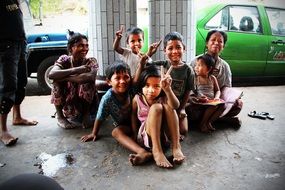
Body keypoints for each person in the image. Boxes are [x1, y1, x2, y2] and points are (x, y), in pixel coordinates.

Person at [81, 62, 152, 166]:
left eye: (126, 77)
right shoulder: (107, 98)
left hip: (142, 122)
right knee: (116, 132)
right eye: (117, 78)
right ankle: (142, 152)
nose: (122, 81)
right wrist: (94, 133)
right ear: (109, 81)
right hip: (126, 126)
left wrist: (141, 64)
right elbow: (100, 116)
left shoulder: (132, 88)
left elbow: (137, 78)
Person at [139, 32, 195, 138]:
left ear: (184, 48)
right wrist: (149, 53)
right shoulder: (162, 65)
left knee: (183, 131)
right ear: (165, 51)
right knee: (167, 128)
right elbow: (144, 65)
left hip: (178, 104)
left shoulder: (188, 70)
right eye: (170, 48)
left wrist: (182, 109)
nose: (174, 51)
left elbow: (188, 91)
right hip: (163, 104)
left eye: (178, 47)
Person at [0, 0, 38, 146]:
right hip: (5, 46)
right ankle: (3, 130)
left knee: (21, 82)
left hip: (20, 43)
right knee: (7, 87)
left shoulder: (14, 1)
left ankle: (17, 117)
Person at [132, 65, 185, 168]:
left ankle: (176, 146)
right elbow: (133, 117)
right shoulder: (137, 99)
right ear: (141, 85)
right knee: (156, 108)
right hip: (147, 135)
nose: (151, 90)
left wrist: (168, 90)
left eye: (156, 86)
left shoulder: (164, 98)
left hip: (164, 135)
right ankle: (157, 151)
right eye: (147, 85)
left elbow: (176, 106)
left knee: (169, 107)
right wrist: (134, 133)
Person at [189, 30, 243, 127]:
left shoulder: (225, 66)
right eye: (213, 40)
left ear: (223, 46)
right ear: (207, 43)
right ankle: (220, 121)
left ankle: (207, 121)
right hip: (197, 101)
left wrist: (221, 98)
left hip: (214, 102)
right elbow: (188, 84)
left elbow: (226, 88)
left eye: (220, 41)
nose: (216, 43)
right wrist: (194, 97)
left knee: (238, 104)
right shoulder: (195, 62)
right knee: (186, 109)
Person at [49, 33, 98, 129]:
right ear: (71, 48)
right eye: (81, 45)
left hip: (86, 104)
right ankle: (60, 117)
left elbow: (89, 77)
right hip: (69, 102)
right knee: (56, 83)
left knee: (86, 82)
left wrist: (64, 77)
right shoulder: (64, 59)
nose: (85, 49)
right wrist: (76, 70)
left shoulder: (91, 61)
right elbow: (52, 74)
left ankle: (86, 115)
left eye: (86, 45)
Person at [191, 54, 225, 132]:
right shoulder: (195, 79)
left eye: (199, 65)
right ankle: (202, 124)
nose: (196, 67)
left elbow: (217, 90)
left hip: (211, 101)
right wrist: (198, 98)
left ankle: (208, 122)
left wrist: (216, 97)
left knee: (222, 105)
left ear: (209, 69)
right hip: (201, 102)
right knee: (213, 106)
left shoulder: (212, 78)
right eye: (196, 65)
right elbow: (192, 93)